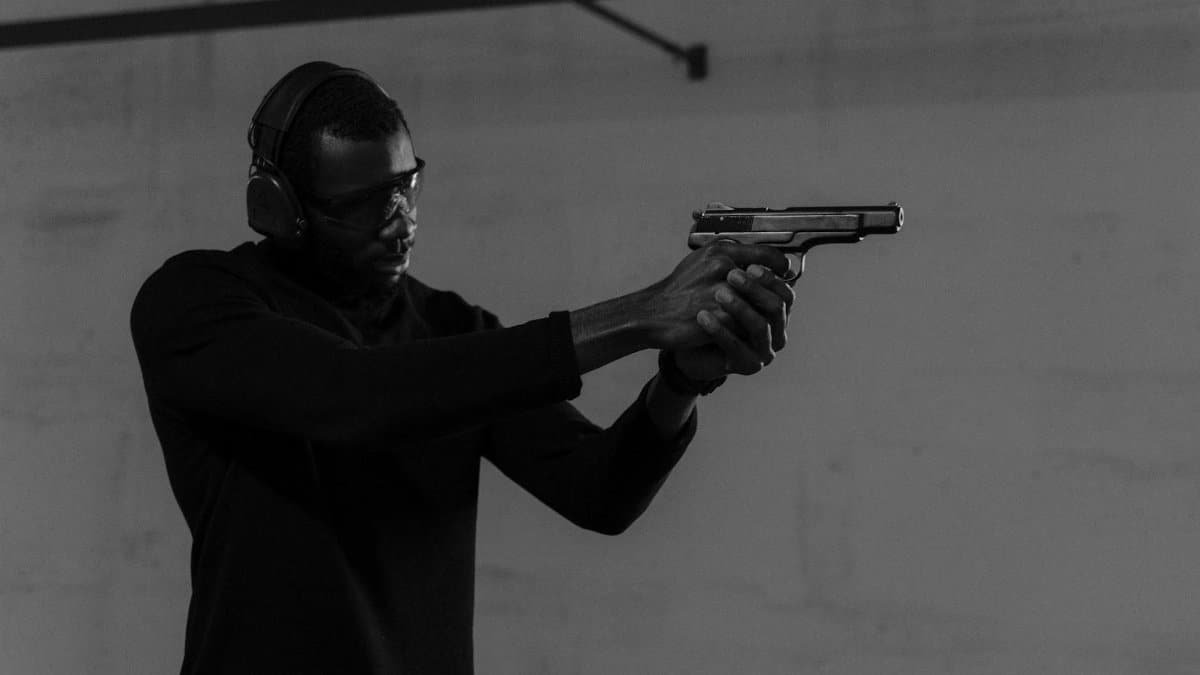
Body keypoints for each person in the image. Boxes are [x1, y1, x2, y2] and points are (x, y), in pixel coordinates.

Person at [130, 61, 797, 675]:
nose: (401, 221)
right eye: (364, 202)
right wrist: (641, 312)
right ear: (282, 209)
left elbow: (600, 491)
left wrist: (679, 379)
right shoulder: (196, 304)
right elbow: (356, 396)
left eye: (405, 185)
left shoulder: (451, 330)